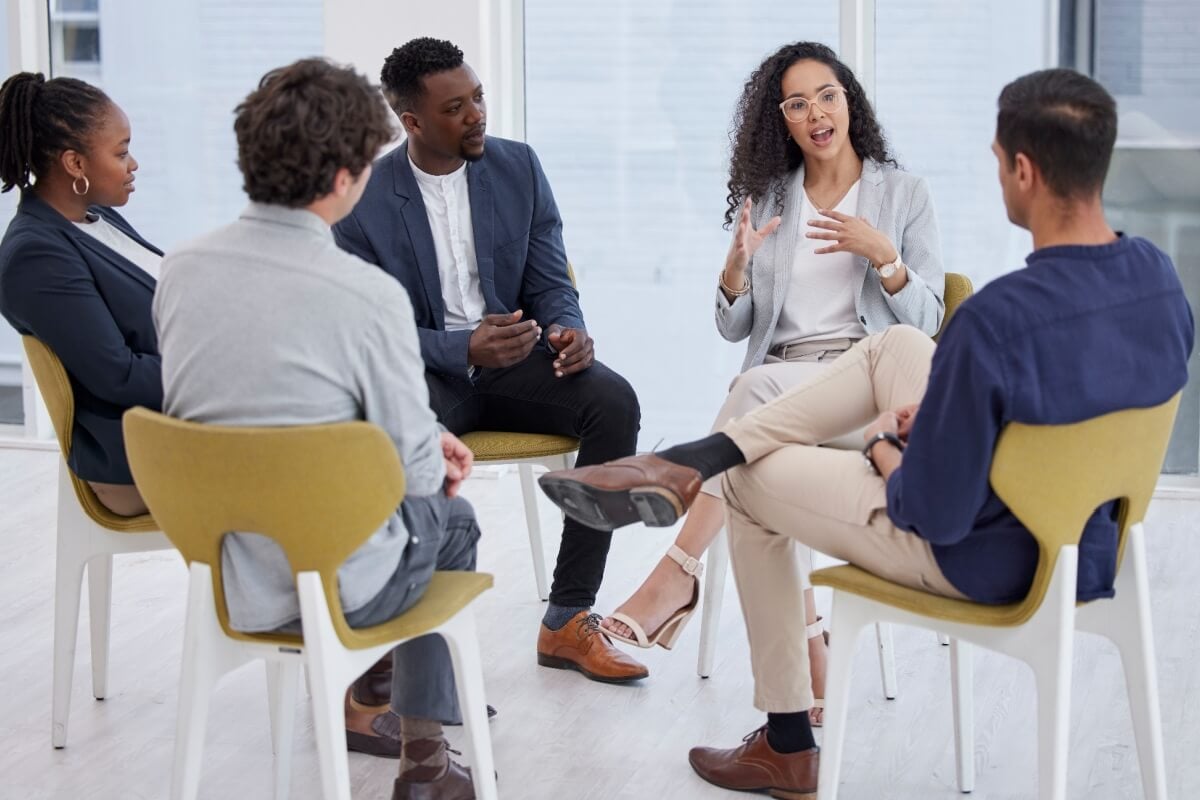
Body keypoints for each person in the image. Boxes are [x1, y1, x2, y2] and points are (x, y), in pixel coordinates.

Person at [538, 68, 1194, 797]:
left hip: (987, 557)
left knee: (748, 480)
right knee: (895, 350)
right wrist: (948, 412)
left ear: (1023, 170)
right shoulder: (1160, 280)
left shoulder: (997, 319)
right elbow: (1076, 406)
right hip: (1088, 543)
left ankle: (787, 740)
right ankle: (691, 460)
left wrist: (886, 442)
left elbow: (933, 509)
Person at [154, 59, 485, 799]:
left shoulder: (180, 269)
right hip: (336, 585)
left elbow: (240, 402)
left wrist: (403, 439)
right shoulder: (364, 293)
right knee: (453, 519)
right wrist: (425, 452)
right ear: (343, 177)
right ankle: (425, 761)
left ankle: (379, 704)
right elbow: (419, 478)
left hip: (232, 576)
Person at [599, 41, 944, 725]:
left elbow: (930, 322)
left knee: (745, 406)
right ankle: (809, 656)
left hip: (859, 386)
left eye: (827, 96)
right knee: (755, 408)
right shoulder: (772, 198)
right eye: (796, 104)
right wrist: (734, 272)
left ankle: (677, 572)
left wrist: (887, 259)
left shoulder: (902, 194)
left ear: (849, 100)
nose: (815, 114)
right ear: (781, 120)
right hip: (783, 373)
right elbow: (737, 327)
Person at [333, 37, 647, 685]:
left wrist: (567, 330)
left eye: (479, 97)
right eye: (457, 107)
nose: (478, 114)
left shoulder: (518, 167)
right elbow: (364, 333)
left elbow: (551, 278)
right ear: (412, 122)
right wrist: (460, 346)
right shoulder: (363, 200)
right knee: (379, 437)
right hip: (424, 372)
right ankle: (396, 640)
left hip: (514, 365)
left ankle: (567, 618)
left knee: (613, 402)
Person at [0, 72, 160, 516]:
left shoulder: (98, 218)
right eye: (122, 152)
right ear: (75, 164)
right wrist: (216, 376)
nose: (134, 165)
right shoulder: (36, 255)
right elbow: (118, 375)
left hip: (181, 420)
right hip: (138, 456)